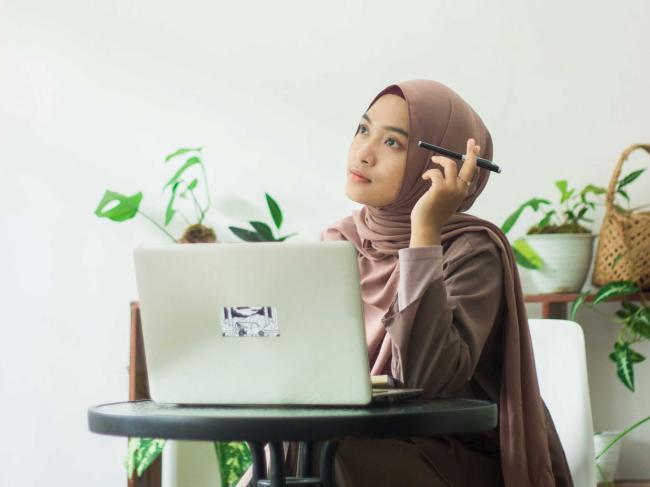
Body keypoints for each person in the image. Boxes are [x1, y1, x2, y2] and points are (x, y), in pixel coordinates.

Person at [237, 79, 573, 486]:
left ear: (437, 166)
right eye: (363, 130)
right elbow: (313, 364)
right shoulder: (340, 242)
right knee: (295, 449)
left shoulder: (472, 252)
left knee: (330, 454)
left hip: (452, 452)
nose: (363, 153)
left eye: (393, 143)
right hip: (355, 440)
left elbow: (422, 378)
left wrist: (424, 232)